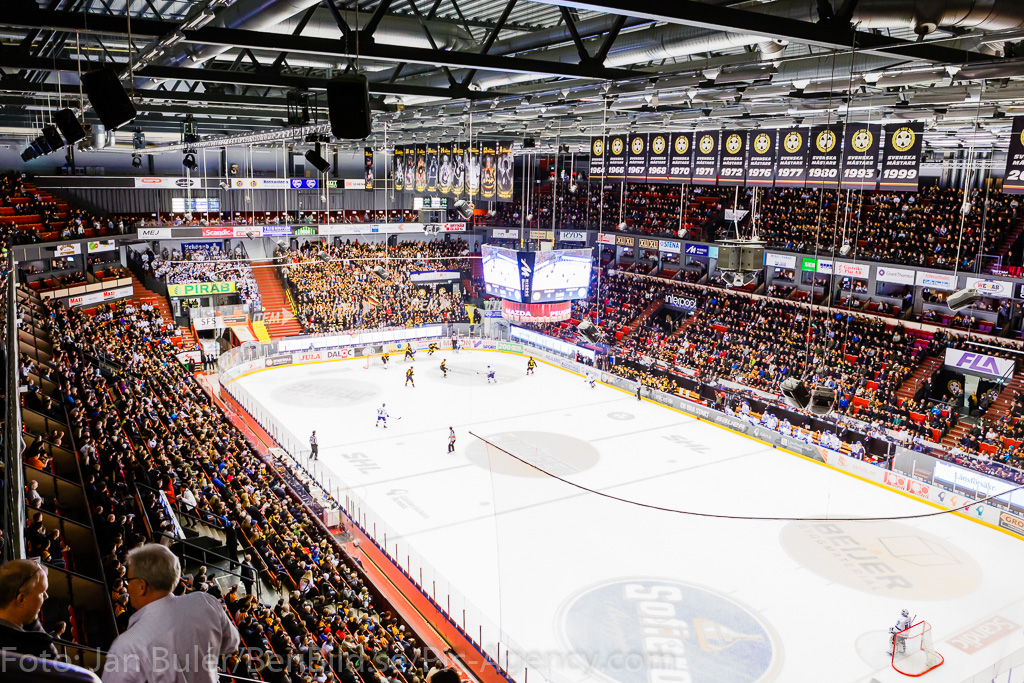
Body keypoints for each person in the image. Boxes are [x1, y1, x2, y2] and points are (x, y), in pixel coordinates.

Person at [103, 544, 240, 683]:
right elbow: (231, 643)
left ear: (142, 586)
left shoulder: (127, 645)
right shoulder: (204, 601)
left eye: (129, 580)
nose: (127, 585)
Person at [0, 559, 56, 657]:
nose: (46, 596)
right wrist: (34, 622)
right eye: (42, 592)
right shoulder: (38, 649)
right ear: (21, 599)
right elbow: (53, 659)